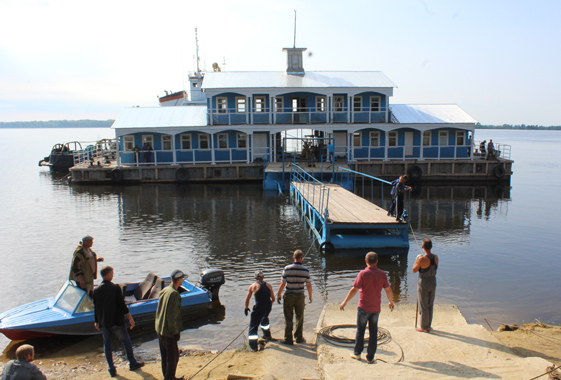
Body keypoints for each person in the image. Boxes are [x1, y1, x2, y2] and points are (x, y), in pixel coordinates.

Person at [340, 252, 394, 364]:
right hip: (375, 309)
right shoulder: (383, 274)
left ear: (366, 261)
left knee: (360, 331)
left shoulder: (362, 274)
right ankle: (370, 357)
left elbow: (354, 289)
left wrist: (344, 302)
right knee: (373, 332)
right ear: (377, 261)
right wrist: (391, 302)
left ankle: (357, 354)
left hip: (363, 307)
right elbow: (388, 290)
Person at [93, 266, 144, 377]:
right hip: (116, 321)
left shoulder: (96, 290)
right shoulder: (115, 288)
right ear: (108, 275)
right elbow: (122, 306)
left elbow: (96, 307)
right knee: (126, 341)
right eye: (112, 273)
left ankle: (111, 369)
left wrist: (97, 321)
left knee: (107, 345)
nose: (113, 274)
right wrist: (130, 318)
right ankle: (132, 363)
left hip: (104, 323)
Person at [277, 250, 313, 345]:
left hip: (288, 296)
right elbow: (308, 285)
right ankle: (298, 338)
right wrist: (310, 296)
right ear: (302, 258)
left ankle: (288, 339)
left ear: (294, 258)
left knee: (288, 317)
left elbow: (282, 283)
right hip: (300, 296)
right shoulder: (306, 270)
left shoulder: (287, 268)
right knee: (299, 317)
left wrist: (278, 294)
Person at [155, 270, 185, 380]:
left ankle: (169, 377)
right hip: (168, 332)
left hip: (160, 329)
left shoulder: (165, 289)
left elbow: (159, 310)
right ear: (178, 280)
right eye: (182, 278)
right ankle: (169, 378)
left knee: (165, 357)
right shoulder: (174, 294)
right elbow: (172, 315)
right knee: (173, 358)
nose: (183, 280)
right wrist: (175, 332)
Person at [244, 270, 276, 351]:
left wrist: (246, 308)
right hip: (267, 307)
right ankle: (267, 336)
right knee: (264, 319)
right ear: (263, 277)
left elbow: (247, 299)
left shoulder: (253, 286)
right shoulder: (269, 285)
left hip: (258, 308)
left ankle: (253, 346)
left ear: (255, 278)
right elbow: (273, 298)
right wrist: (268, 304)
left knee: (253, 326)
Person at [412, 238, 439, 333]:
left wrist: (417, 260)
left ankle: (424, 327)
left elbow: (414, 270)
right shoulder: (436, 257)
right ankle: (428, 325)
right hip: (433, 281)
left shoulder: (422, 259)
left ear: (423, 247)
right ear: (431, 247)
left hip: (424, 283)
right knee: (430, 304)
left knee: (423, 305)